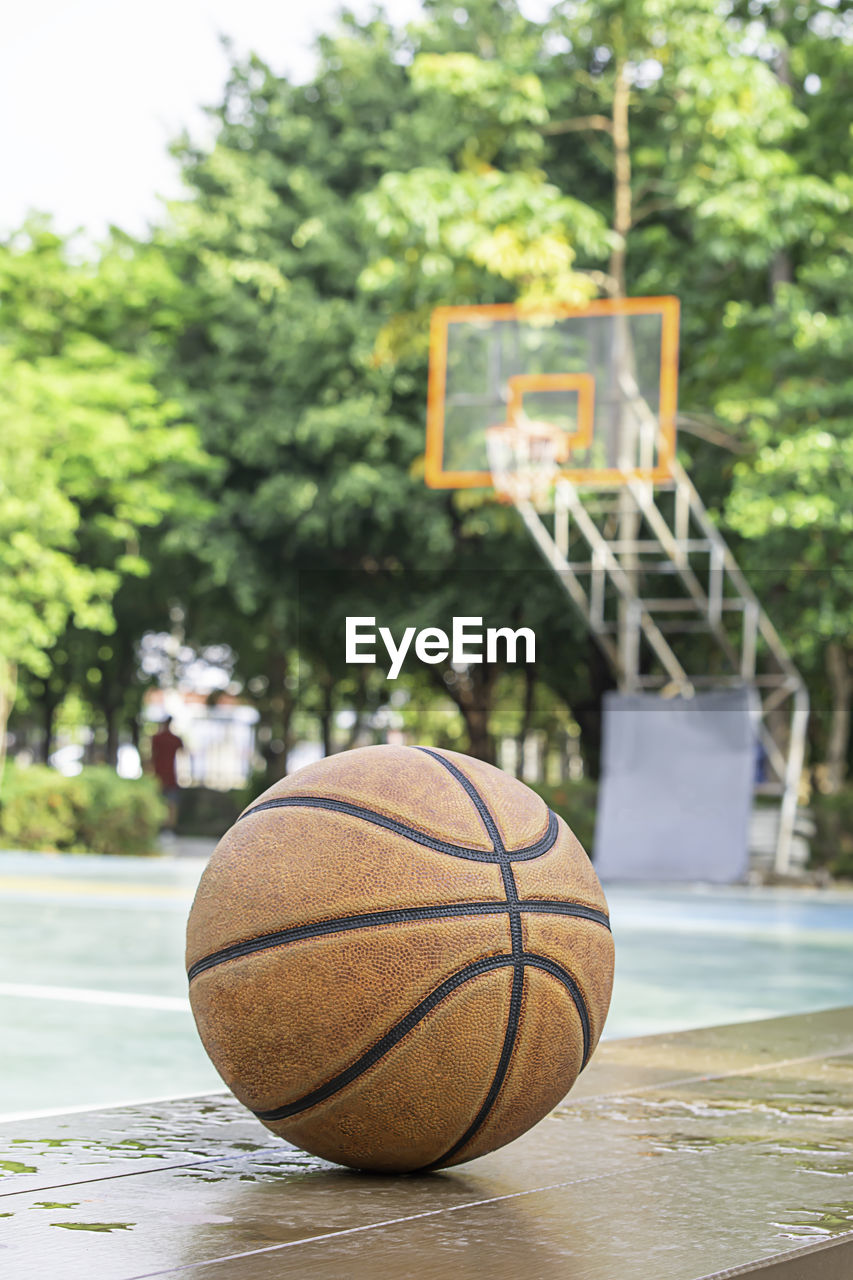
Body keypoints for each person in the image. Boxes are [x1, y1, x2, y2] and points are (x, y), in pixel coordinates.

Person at [151, 716, 184, 832]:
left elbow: (151, 755)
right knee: (172, 805)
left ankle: (162, 827)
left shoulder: (156, 738)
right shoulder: (174, 739)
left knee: (161, 803)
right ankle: (169, 827)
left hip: (159, 776)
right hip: (170, 776)